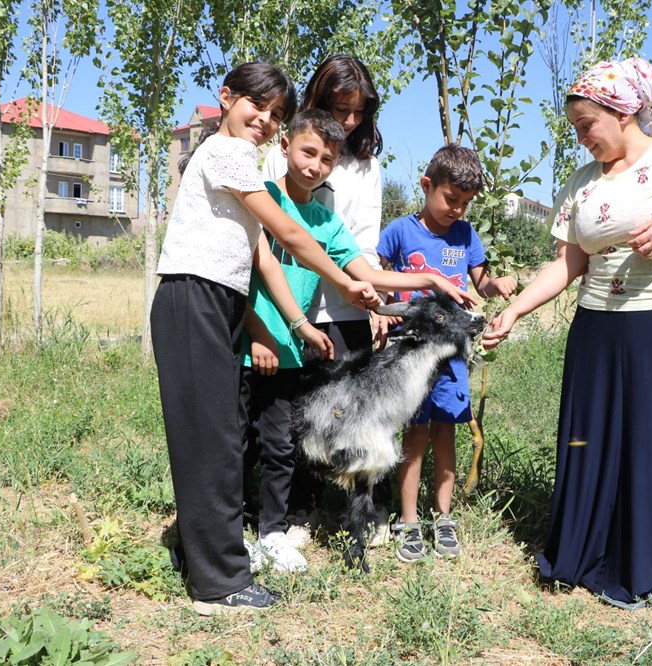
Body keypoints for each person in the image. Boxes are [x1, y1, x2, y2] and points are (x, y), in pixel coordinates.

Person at [482, 57, 652, 614]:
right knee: (596, 438)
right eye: (576, 129)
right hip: (599, 325)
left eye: (588, 125)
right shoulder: (582, 183)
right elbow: (567, 264)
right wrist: (517, 312)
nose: (582, 139)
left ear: (623, 111)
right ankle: (592, 554)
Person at [150, 62, 378, 616]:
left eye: (277, 114)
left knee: (221, 438)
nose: (267, 120)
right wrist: (348, 280)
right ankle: (218, 584)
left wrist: (301, 319)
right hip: (194, 297)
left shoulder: (240, 160)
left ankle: (211, 553)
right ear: (226, 98)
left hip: (218, 300)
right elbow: (290, 234)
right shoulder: (226, 152)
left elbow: (267, 264)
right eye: (259, 106)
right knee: (210, 441)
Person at [242, 110, 477, 573]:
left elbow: (363, 271)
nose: (315, 165)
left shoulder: (326, 222)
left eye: (326, 159)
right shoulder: (261, 198)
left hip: (291, 344)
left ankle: (269, 531)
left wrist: (424, 277)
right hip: (251, 336)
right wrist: (256, 332)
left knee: (278, 442)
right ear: (284, 146)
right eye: (308, 152)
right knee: (239, 437)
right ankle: (229, 526)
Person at [260, 54, 390, 546]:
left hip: (348, 303)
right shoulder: (287, 151)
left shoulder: (367, 163)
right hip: (291, 303)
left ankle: (359, 505)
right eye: (341, 107)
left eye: (360, 111)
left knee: (350, 412)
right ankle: (299, 508)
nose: (350, 120)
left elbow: (362, 240)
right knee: (299, 413)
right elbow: (278, 231)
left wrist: (371, 300)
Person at [378, 144, 517, 563]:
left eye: (465, 203)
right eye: (451, 200)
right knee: (414, 435)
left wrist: (498, 285)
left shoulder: (465, 235)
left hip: (452, 354)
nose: (457, 210)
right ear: (427, 185)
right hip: (411, 350)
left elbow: (481, 281)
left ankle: (443, 517)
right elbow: (378, 276)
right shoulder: (399, 231)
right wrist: (378, 313)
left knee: (445, 432)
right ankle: (407, 520)